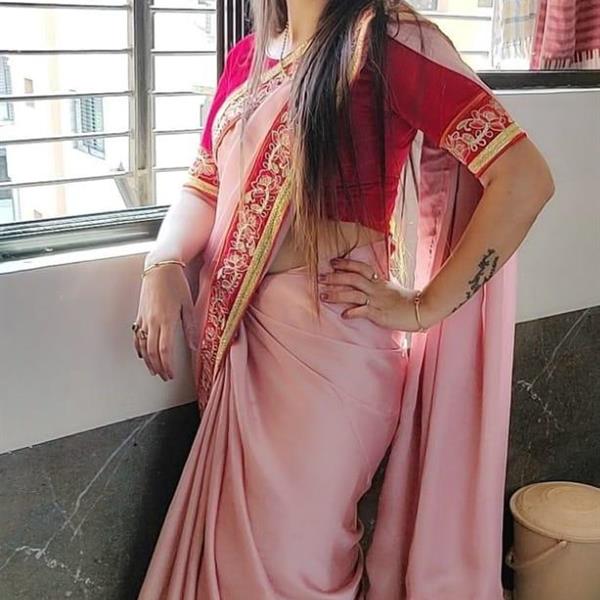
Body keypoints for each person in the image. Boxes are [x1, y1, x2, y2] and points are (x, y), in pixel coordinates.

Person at [132, 1, 554, 598]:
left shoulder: (387, 42)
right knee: (232, 560)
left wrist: (422, 306)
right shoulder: (249, 58)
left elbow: (525, 177)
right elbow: (204, 185)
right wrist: (163, 262)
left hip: (330, 354)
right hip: (242, 345)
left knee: (295, 560)